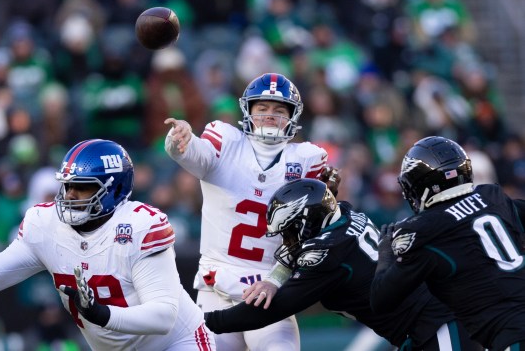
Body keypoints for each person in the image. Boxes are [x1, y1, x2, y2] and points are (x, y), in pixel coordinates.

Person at [0, 139, 215, 351]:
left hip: (175, 343)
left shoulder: (139, 226)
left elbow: (164, 316)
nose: (70, 195)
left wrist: (102, 314)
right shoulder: (45, 224)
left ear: (113, 189)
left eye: (82, 186)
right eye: (67, 186)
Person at [204, 178, 482, 350]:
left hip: (439, 324)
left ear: (307, 224)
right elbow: (297, 253)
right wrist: (274, 278)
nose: (286, 242)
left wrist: (205, 321)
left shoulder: (328, 253)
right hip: (424, 326)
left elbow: (270, 310)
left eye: (289, 231)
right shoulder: (345, 213)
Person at [164, 73, 335, 351]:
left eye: (279, 110)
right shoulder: (225, 141)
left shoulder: (306, 160)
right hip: (214, 285)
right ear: (248, 111)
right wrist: (179, 140)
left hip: (269, 289)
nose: (270, 116)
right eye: (262, 109)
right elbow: (193, 153)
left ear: (292, 116)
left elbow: (309, 234)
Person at [370, 136, 525, 351]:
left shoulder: (426, 230)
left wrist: (385, 253)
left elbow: (381, 299)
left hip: (512, 333)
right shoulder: (492, 196)